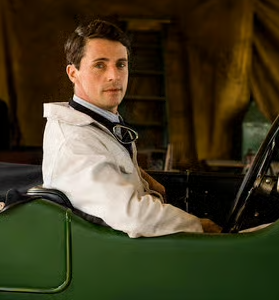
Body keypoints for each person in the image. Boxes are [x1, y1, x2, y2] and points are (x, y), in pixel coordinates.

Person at [42, 19, 220, 237]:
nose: (114, 76)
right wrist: (198, 225)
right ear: (73, 73)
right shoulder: (74, 141)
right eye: (100, 65)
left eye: (121, 64)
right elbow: (133, 216)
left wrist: (143, 180)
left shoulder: (101, 123)